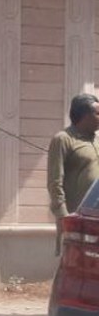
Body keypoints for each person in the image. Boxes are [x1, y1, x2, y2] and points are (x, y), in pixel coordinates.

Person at [48, 93, 99, 236]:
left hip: (96, 218)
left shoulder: (97, 140)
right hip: (76, 219)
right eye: (97, 113)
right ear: (84, 115)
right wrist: (64, 216)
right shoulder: (63, 139)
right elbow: (54, 182)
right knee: (75, 256)